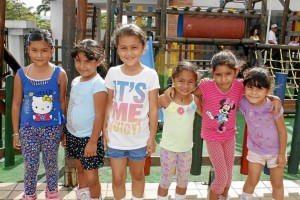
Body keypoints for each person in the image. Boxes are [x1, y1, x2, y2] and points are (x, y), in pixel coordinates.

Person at [164, 50, 282, 200]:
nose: (223, 79)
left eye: (228, 74)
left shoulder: (239, 87)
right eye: (218, 74)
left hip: (229, 136)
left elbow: (256, 91)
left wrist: (274, 97)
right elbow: (187, 93)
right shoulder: (206, 86)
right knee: (221, 177)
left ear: (236, 72)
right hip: (212, 136)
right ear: (212, 73)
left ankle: (223, 197)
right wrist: (173, 89)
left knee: (229, 176)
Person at [103, 24, 160, 200]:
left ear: (143, 48)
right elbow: (109, 103)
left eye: (134, 47)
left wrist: (151, 137)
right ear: (117, 49)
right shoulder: (112, 73)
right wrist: (104, 129)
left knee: (138, 175)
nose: (129, 53)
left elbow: (153, 109)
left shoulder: (150, 75)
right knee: (118, 178)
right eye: (124, 48)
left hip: (139, 139)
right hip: (116, 138)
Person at [12, 29, 68, 200]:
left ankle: (52, 193)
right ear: (28, 50)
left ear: (51, 51)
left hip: (53, 128)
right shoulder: (21, 74)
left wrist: (64, 130)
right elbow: (16, 103)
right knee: (30, 164)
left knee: (51, 163)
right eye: (34, 50)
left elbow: (62, 102)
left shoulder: (60, 74)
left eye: (44, 50)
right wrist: (16, 132)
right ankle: (29, 194)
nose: (39, 55)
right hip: (28, 129)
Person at [63, 39, 107, 200]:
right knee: (79, 167)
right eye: (78, 61)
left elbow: (100, 115)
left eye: (87, 61)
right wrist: (66, 133)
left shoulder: (99, 84)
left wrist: (93, 142)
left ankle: (95, 197)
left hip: (89, 138)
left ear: (99, 60)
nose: (82, 66)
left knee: (91, 176)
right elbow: (72, 108)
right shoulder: (75, 81)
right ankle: (83, 195)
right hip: (73, 135)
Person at [239, 67, 287, 200]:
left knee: (276, 183)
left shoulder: (273, 106)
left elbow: (283, 131)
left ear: (267, 91)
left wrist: (282, 154)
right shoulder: (243, 102)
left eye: (259, 88)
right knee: (252, 180)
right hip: (256, 150)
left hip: (276, 151)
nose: (253, 92)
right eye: (250, 87)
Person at [156, 61, 202, 200]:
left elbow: (206, 115)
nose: (185, 85)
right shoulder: (166, 99)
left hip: (186, 149)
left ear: (195, 83)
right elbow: (149, 110)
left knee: (183, 180)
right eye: (181, 81)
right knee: (165, 180)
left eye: (190, 82)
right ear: (173, 80)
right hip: (168, 148)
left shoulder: (195, 100)